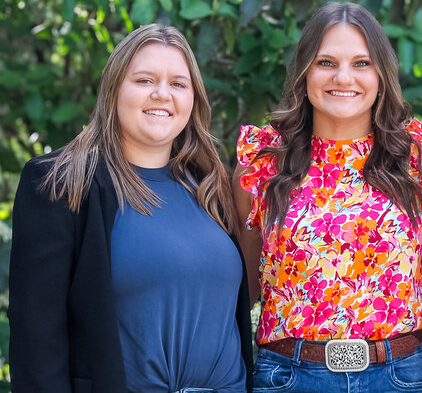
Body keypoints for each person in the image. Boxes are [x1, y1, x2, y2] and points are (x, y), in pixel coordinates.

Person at [10, 24, 253, 393]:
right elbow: (36, 339)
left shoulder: (209, 184)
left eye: (178, 83)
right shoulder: (60, 183)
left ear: (193, 99)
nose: (162, 94)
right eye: (144, 80)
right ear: (114, 90)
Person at [232, 2, 422, 392]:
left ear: (382, 74)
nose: (344, 77)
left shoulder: (421, 159)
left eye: (362, 63)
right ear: (304, 71)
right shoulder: (263, 163)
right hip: (289, 377)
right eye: (326, 62)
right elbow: (241, 290)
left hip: (401, 376)